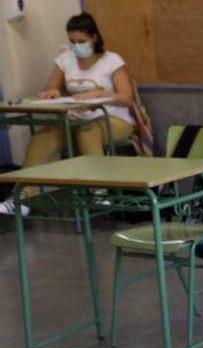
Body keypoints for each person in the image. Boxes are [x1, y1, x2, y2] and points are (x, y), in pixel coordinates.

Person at [0, 12, 135, 215]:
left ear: (94, 38)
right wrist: (51, 93)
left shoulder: (112, 60)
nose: (77, 46)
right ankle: (23, 198)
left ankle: (100, 191)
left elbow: (127, 98)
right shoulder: (65, 59)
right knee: (42, 137)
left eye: (82, 41)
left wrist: (99, 94)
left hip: (114, 120)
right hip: (75, 119)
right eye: (72, 41)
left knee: (86, 131)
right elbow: (52, 88)